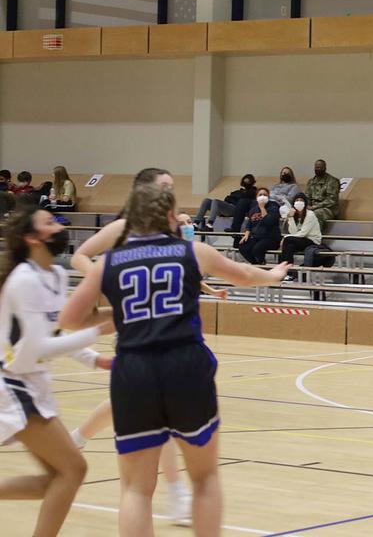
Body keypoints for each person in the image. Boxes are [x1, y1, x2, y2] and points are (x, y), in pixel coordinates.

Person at [60, 183, 288, 536]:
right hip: (185, 365)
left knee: (136, 489)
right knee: (205, 478)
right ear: (169, 215)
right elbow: (242, 275)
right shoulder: (192, 251)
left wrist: (118, 313)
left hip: (134, 370)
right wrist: (273, 275)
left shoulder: (107, 263)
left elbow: (71, 320)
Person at [69, 167, 210, 525]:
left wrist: (203, 285)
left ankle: (79, 436)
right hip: (137, 327)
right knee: (155, 415)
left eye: (172, 187)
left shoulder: (170, 229)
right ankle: (177, 493)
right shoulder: (123, 227)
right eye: (165, 187)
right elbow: (80, 256)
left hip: (172, 330)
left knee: (136, 404)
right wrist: (105, 282)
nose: (171, 193)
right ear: (145, 191)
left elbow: (182, 266)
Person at [0, 205, 114, 537]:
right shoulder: (23, 279)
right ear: (31, 237)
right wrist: (99, 332)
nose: (58, 226)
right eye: (49, 223)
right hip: (13, 386)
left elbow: (60, 328)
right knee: (73, 469)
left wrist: (94, 358)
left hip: (33, 384)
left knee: (57, 479)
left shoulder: (56, 275)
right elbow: (37, 347)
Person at [278, 193, 324, 282]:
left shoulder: (310, 214)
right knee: (290, 246)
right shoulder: (294, 215)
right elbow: (294, 232)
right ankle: (289, 273)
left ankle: (282, 270)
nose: (299, 202)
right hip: (301, 240)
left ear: (305, 203)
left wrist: (286, 237)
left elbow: (303, 233)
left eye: (301, 201)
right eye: (297, 201)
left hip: (312, 240)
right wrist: (290, 217)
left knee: (287, 240)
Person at [238, 188, 282, 265]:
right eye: (260, 195)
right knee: (243, 246)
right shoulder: (253, 209)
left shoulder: (274, 207)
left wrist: (262, 208)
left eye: (265, 195)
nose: (262, 196)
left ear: (268, 196)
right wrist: (246, 234)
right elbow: (249, 223)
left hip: (271, 238)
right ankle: (257, 264)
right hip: (256, 237)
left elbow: (269, 221)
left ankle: (261, 263)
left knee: (257, 249)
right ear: (256, 197)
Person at [305, 159, 341, 231]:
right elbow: (307, 196)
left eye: (320, 167)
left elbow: (331, 200)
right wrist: (307, 206)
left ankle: (316, 238)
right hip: (312, 207)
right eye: (316, 167)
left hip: (328, 209)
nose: (318, 169)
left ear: (325, 168)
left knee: (316, 214)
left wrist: (314, 207)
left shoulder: (332, 181)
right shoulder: (311, 181)